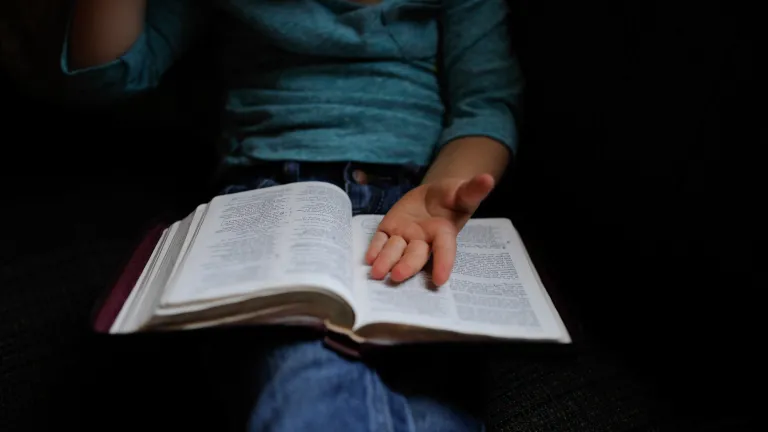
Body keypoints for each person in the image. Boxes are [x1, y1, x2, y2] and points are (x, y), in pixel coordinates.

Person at [64, 0, 522, 430]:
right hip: (270, 202)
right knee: (303, 377)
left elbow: (485, 106)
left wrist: (443, 191)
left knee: (435, 396)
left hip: (414, 210)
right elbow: (106, 74)